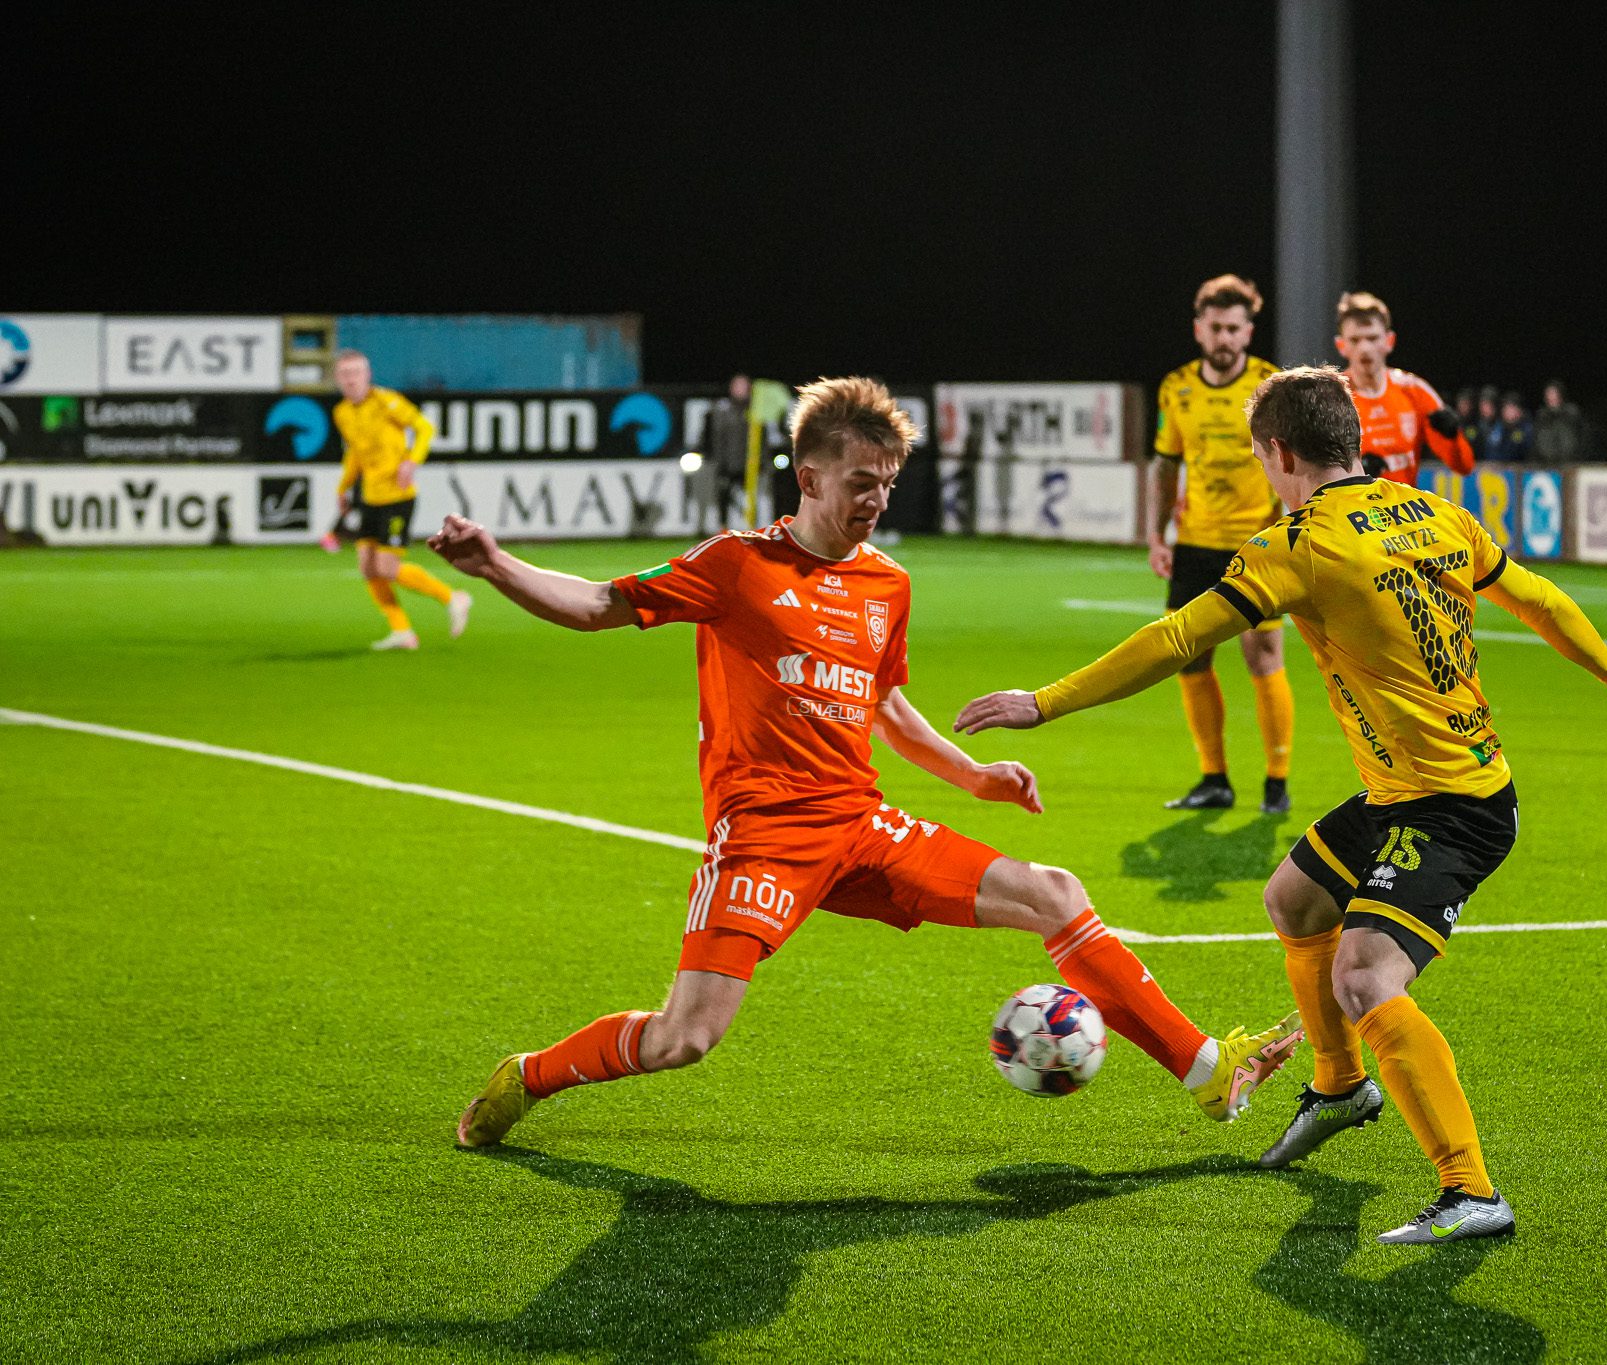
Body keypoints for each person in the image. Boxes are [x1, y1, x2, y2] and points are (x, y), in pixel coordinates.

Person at [434, 377, 1302, 1150]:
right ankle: (530, 1074)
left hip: (860, 824)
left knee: (1056, 892)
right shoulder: (736, 565)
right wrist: (495, 565)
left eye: (887, 481)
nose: (878, 499)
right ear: (810, 477)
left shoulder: (888, 583)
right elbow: (597, 603)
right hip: (765, 836)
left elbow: (882, 704)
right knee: (684, 1039)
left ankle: (1206, 1069)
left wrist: (973, 776)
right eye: (861, 482)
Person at [957, 365, 1607, 1244]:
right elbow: (1536, 595)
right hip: (1416, 788)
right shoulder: (1435, 511)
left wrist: (1045, 702)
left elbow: (1177, 636)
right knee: (1294, 899)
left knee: (1363, 976)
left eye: (1262, 457)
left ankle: (1471, 1189)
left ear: (1280, 453)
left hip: (1450, 809)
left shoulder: (1298, 543)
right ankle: (1340, 1085)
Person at [1150, 275, 1294, 815]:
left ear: (1249, 331)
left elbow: (1292, 462)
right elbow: (1166, 464)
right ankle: (1214, 778)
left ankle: (1276, 784)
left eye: (1234, 328)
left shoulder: (1270, 386)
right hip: (1194, 543)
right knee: (1189, 658)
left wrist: (1290, 529)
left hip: (1256, 544)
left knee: (1263, 658)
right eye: (1216, 328)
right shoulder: (1176, 388)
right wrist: (1156, 534)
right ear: (1198, 329)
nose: (1225, 338)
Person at [332, 349, 470, 651]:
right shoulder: (342, 412)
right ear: (337, 379)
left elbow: (424, 427)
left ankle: (453, 598)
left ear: (367, 375)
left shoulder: (386, 401)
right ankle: (402, 632)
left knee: (386, 568)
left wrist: (412, 461)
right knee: (367, 567)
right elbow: (355, 453)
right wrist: (343, 488)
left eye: (356, 373)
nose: (351, 379)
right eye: (344, 374)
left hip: (397, 497)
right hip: (370, 497)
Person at [1332, 292, 1475, 485]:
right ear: (1341, 345)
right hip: (1351, 504)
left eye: (1372, 338)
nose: (1365, 348)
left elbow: (1464, 466)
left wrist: (1452, 437)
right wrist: (1353, 473)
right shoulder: (1332, 397)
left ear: (1389, 341)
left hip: (1405, 504)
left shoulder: (1415, 391)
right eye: (1355, 340)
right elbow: (1310, 474)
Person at [700, 373, 753, 530]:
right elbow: (711, 436)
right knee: (723, 496)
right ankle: (723, 528)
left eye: (743, 386)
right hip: (725, 464)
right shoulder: (720, 410)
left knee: (749, 499)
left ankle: (751, 528)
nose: (740, 389)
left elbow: (763, 440)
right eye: (737, 385)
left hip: (748, 464)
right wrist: (715, 459)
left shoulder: (754, 411)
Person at [1531, 380, 1590, 464]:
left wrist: (1580, 457)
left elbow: (1584, 436)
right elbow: (1536, 440)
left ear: (1561, 395)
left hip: (1571, 463)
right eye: (1548, 394)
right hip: (1546, 464)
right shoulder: (1541, 416)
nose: (1551, 397)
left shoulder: (1572, 413)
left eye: (1554, 393)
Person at [1484, 392, 1533, 463]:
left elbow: (1525, 452)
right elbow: (1491, 450)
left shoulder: (1526, 428)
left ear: (1519, 411)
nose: (1508, 412)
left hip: (1520, 467)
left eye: (1512, 408)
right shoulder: (1498, 427)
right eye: (1506, 408)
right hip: (1498, 467)